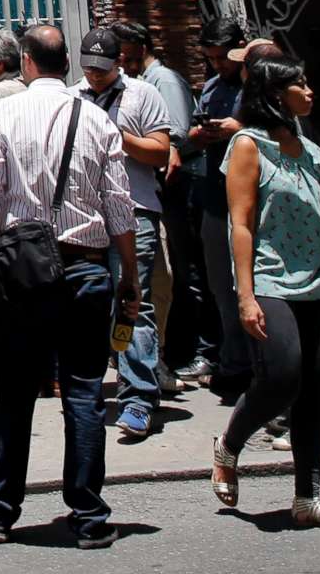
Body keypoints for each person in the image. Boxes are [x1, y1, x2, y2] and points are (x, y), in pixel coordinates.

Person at [0, 23, 142, 550]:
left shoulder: (3, 113)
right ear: (66, 62)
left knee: (14, 394)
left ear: (25, 62)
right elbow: (119, 207)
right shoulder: (96, 120)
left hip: (23, 271)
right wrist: (129, 276)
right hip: (86, 268)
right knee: (85, 393)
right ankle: (88, 516)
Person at [212, 54, 320, 531]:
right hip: (271, 281)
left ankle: (307, 499)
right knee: (282, 376)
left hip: (317, 282)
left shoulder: (310, 149)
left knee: (315, 390)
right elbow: (241, 224)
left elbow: (315, 214)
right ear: (276, 95)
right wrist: (246, 295)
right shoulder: (247, 145)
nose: (310, 90)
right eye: (300, 84)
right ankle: (230, 444)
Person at [79, 26, 177, 443]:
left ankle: (138, 398)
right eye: (89, 69)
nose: (95, 77)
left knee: (132, 302)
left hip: (135, 210)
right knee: (86, 301)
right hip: (85, 214)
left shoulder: (142, 95)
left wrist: (118, 137)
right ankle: (90, 389)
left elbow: (160, 151)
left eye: (103, 69)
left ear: (119, 62)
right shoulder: (71, 97)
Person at [119, 23, 207, 384]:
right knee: (141, 291)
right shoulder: (130, 86)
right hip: (145, 203)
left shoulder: (162, 82)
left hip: (170, 193)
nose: (122, 61)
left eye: (125, 53)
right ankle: (140, 367)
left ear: (140, 47)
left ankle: (173, 356)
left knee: (169, 280)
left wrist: (142, 142)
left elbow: (177, 135)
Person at [186, 32, 256, 401]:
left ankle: (256, 368)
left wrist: (239, 130)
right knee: (221, 286)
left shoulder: (260, 88)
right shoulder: (212, 87)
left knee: (253, 285)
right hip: (215, 194)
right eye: (211, 58)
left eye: (223, 58)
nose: (218, 65)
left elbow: (281, 135)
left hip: (252, 199)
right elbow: (191, 135)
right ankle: (234, 364)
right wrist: (201, 135)